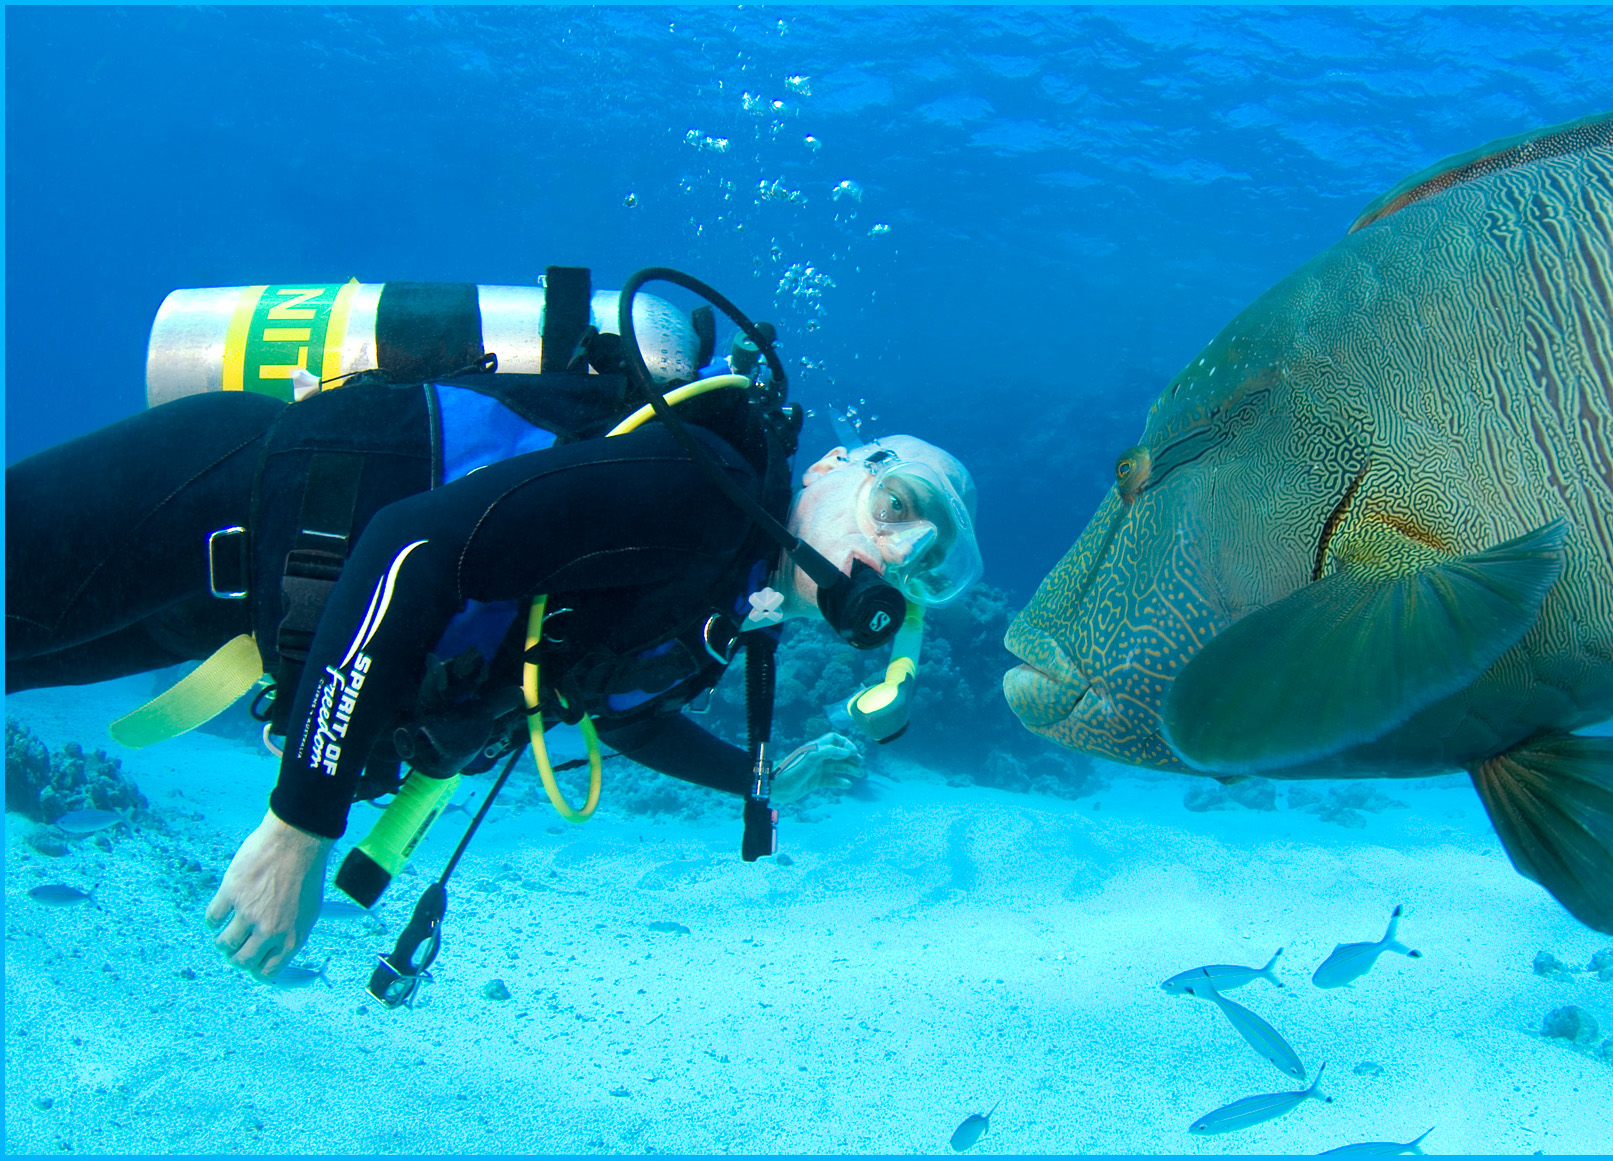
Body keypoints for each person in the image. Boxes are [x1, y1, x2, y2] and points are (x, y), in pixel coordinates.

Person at [6, 313, 981, 984]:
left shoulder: (723, 586)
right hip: (228, 491)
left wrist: (756, 781)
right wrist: (303, 821)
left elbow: (618, 707)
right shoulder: (702, 488)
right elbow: (411, 545)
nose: (893, 556)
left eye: (922, 570)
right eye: (896, 510)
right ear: (828, 470)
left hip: (238, 593)